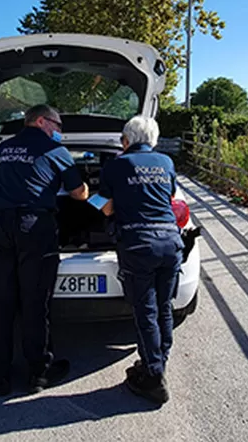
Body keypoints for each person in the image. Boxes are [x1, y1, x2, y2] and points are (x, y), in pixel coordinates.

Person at [0, 104, 89, 396]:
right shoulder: (55, 151)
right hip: (34, 228)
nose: (59, 132)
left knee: (2, 302)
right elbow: (79, 193)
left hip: (0, 225)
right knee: (34, 302)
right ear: (41, 121)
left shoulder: (3, 149)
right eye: (57, 125)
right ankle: (39, 372)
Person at [99, 115, 182, 404]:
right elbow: (169, 196)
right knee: (164, 308)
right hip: (171, 243)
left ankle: (153, 377)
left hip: (138, 246)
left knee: (145, 311)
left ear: (125, 140)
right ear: (154, 140)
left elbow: (106, 208)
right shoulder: (167, 163)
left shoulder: (116, 165)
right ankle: (157, 363)